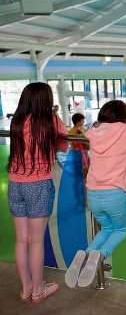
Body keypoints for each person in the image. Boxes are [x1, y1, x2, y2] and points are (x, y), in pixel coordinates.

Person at [65, 100, 126, 289]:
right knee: (121, 230)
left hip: (93, 194)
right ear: (125, 116)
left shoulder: (94, 130)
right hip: (115, 193)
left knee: (107, 228)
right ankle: (100, 255)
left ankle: (86, 254)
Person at [8, 82, 68, 303]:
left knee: (21, 240)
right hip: (39, 185)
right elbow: (64, 146)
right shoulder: (50, 121)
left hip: (15, 184)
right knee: (35, 242)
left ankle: (26, 289)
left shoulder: (16, 121)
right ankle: (38, 291)